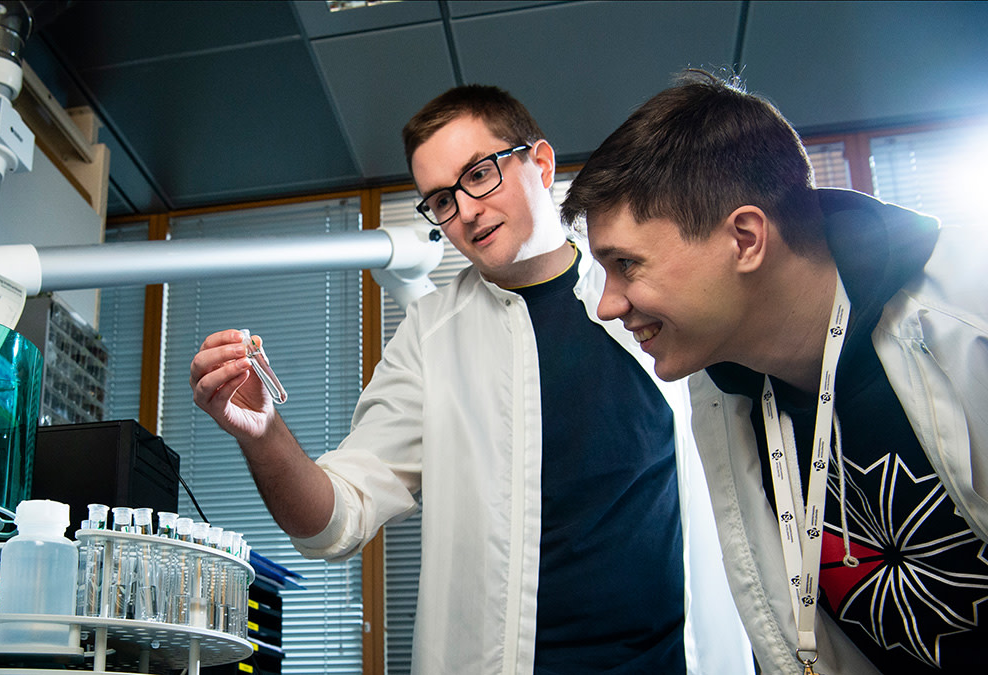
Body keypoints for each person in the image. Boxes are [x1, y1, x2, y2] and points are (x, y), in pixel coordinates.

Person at [190, 84, 750, 674]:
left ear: (540, 163)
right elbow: (335, 520)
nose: (467, 211)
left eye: (479, 174)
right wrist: (262, 434)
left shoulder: (652, 279)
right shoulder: (432, 337)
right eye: (440, 200)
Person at [561, 70, 988, 675]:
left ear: (745, 238)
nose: (607, 303)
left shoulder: (969, 315)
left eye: (626, 264)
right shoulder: (722, 390)